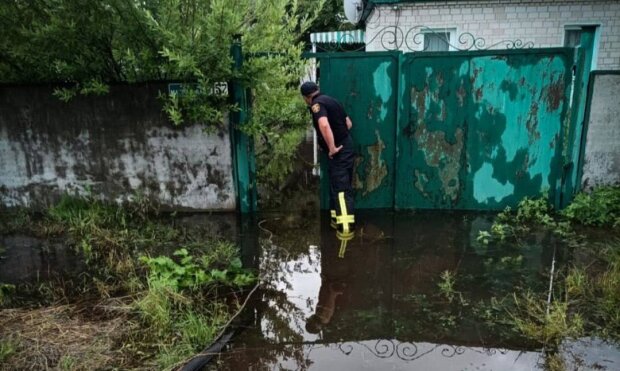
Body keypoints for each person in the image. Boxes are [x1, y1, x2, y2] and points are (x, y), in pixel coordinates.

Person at [300, 81, 355, 233]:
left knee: (341, 189)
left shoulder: (316, 104)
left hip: (339, 151)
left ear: (306, 98)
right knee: (338, 185)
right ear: (317, 90)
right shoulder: (332, 101)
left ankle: (345, 230)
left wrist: (331, 146)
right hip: (346, 147)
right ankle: (335, 221)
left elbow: (324, 124)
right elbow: (348, 124)